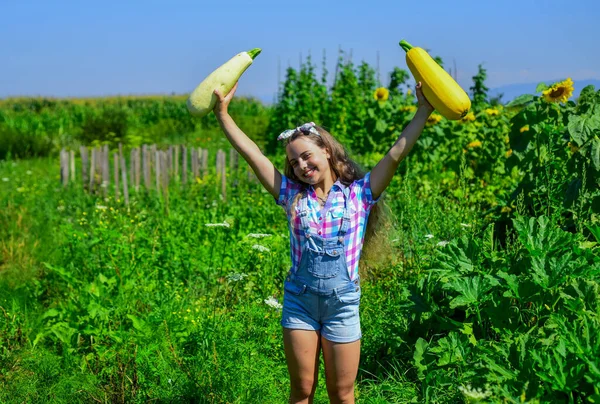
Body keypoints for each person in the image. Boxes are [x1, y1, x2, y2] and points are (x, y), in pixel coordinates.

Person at [213, 81, 434, 404]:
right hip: (300, 303)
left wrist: (423, 111)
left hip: (342, 306)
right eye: (294, 163)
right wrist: (223, 115)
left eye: (306, 156)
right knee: (302, 391)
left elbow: (396, 154)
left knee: (342, 394)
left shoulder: (361, 194)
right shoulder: (290, 195)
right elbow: (253, 155)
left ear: (326, 151)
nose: (301, 166)